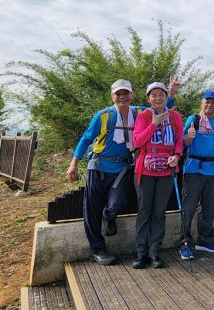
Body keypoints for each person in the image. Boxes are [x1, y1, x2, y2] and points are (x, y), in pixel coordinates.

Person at [67, 78, 178, 266]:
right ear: (112, 96)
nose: (122, 97)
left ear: (132, 95)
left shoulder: (140, 113)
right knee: (92, 210)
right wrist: (74, 163)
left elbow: (160, 107)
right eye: (118, 94)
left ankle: (109, 215)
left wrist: (172, 94)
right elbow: (86, 138)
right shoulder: (103, 116)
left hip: (122, 168)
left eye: (125, 93)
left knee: (118, 202)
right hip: (99, 166)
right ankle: (98, 249)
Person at [132, 82, 184, 268]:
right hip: (145, 171)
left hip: (167, 171)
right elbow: (137, 141)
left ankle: (155, 252)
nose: (158, 98)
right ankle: (140, 253)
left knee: (159, 212)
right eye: (153, 95)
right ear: (148, 99)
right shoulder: (143, 117)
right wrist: (154, 124)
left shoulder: (175, 116)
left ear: (165, 96)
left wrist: (176, 156)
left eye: (161, 94)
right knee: (144, 211)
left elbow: (179, 141)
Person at [178, 90, 214, 260]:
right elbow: (183, 143)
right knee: (189, 207)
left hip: (211, 170)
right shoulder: (194, 119)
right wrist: (189, 138)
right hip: (193, 169)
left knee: (208, 208)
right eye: (207, 101)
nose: (210, 105)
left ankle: (204, 240)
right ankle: (185, 243)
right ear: (202, 103)